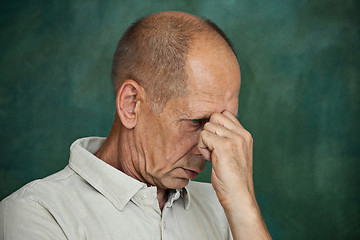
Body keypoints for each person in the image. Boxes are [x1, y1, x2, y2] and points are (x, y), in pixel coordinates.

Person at [0, 11, 271, 239]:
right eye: (196, 121)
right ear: (131, 104)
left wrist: (243, 205)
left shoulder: (224, 204)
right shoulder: (37, 212)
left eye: (224, 124)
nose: (209, 148)